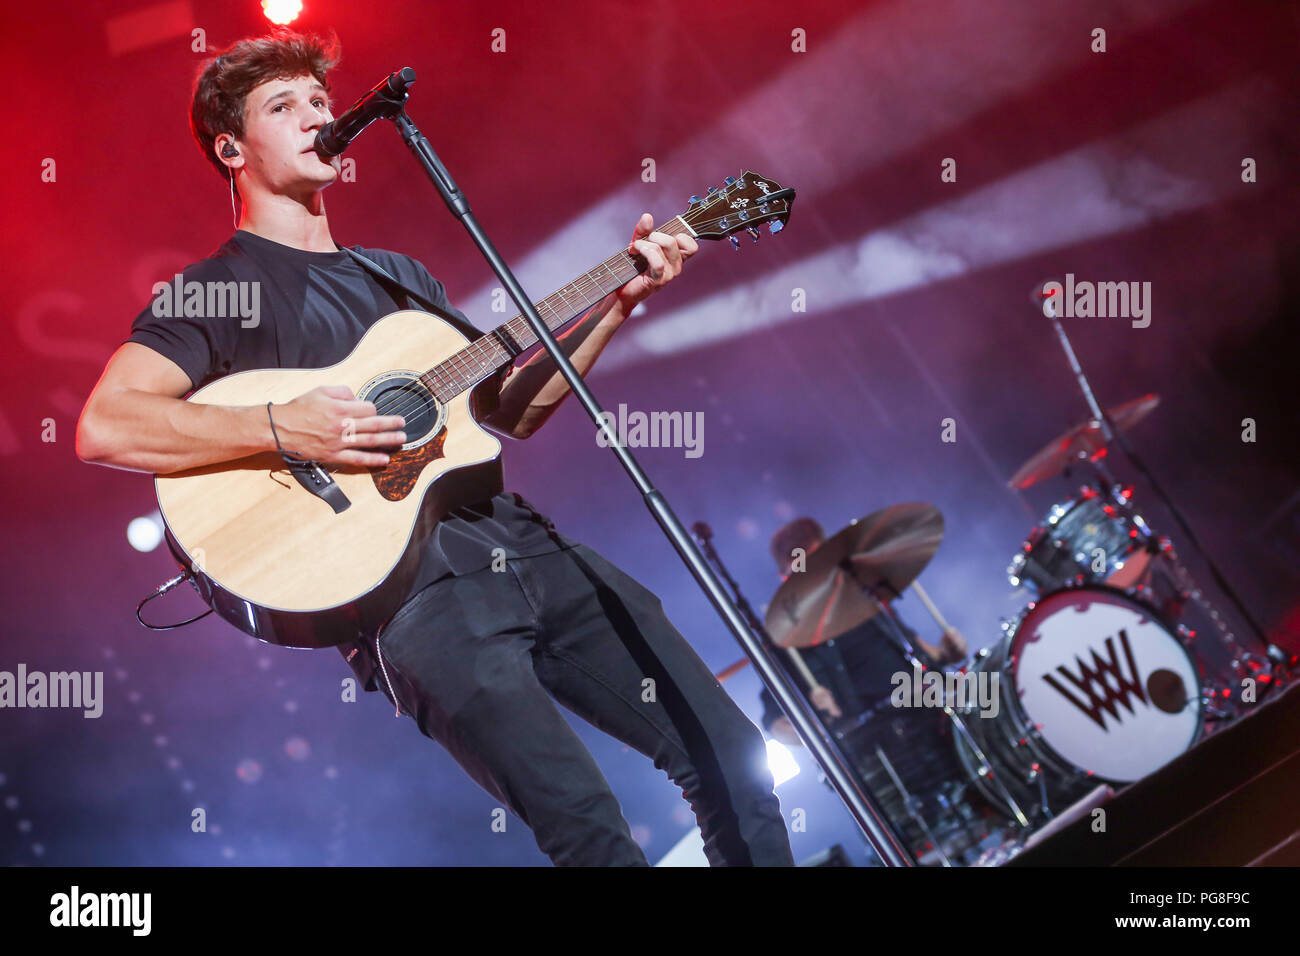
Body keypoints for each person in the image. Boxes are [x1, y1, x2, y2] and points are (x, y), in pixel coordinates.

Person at [76, 28, 794, 867]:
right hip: (412, 605)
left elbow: (510, 413)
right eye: (284, 106)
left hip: (523, 545)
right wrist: (283, 425)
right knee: (593, 835)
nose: (316, 118)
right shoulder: (215, 291)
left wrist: (618, 303)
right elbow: (106, 425)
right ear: (230, 147)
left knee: (734, 762)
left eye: (319, 100)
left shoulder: (399, 280)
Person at [758, 517, 967, 747]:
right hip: (885, 748)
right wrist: (815, 724)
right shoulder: (786, 639)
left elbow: (927, 655)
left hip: (939, 713)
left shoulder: (864, 596)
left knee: (989, 692)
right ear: (784, 579)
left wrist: (948, 653)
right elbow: (776, 725)